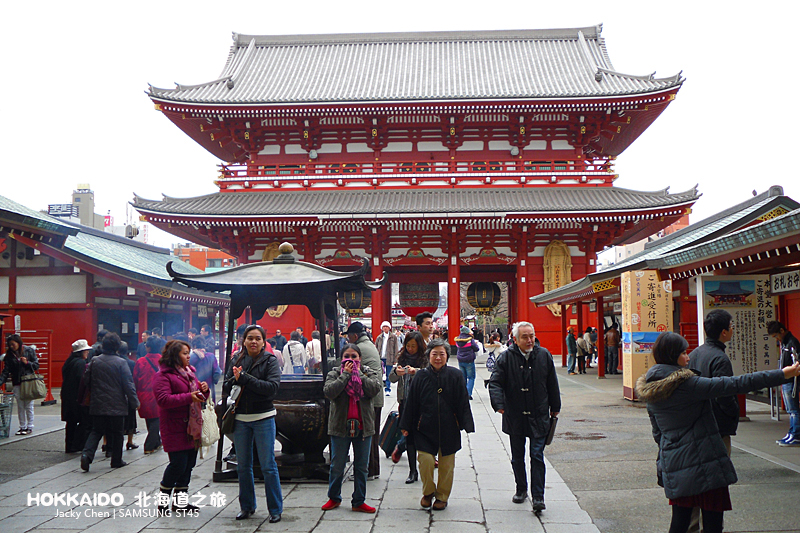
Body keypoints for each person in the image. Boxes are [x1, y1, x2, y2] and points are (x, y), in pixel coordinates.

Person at [636, 331, 800, 533]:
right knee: (712, 522)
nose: (688, 357)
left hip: (675, 463)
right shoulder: (688, 384)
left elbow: (657, 434)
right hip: (705, 463)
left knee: (679, 521)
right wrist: (783, 374)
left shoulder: (651, 389)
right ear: (672, 355)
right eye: (683, 353)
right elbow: (737, 383)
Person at [488, 321, 560, 512]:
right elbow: (495, 382)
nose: (529, 340)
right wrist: (499, 404)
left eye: (531, 336)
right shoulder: (506, 358)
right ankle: (521, 489)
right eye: (525, 337)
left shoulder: (544, 355)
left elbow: (552, 383)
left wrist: (555, 407)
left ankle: (538, 496)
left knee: (537, 454)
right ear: (515, 339)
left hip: (539, 412)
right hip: (515, 413)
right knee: (517, 456)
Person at [400, 338, 474, 510]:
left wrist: (466, 423)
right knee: (425, 461)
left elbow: (463, 401)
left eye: (442, 354)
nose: (438, 358)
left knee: (447, 465)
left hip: (449, 427)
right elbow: (412, 402)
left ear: (447, 356)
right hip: (424, 427)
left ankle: (442, 496)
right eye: (435, 354)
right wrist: (406, 425)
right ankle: (428, 492)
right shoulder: (420, 376)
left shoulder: (455, 375)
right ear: (428, 356)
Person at [223, 325, 283, 522]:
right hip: (241, 418)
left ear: (264, 342)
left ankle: (275, 509)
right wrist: (235, 380)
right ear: (244, 341)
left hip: (263, 417)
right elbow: (226, 385)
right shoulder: (237, 359)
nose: (253, 342)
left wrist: (245, 379)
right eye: (250, 338)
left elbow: (272, 388)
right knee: (243, 466)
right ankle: (247, 506)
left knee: (268, 466)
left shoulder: (270, 361)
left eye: (258, 338)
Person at [321, 343, 382, 513]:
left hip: (363, 426)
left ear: (360, 358)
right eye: (347, 357)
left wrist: (359, 374)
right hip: (340, 426)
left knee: (362, 466)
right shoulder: (334, 373)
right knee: (337, 465)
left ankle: (359, 500)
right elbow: (329, 392)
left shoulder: (368, 372)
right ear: (341, 358)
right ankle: (334, 497)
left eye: (354, 357)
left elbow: (374, 389)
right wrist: (345, 375)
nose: (350, 360)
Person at [152, 339, 210, 514]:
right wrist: (189, 397)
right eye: (185, 353)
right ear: (174, 356)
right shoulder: (163, 376)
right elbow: (163, 400)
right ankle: (163, 502)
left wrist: (204, 390)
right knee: (178, 464)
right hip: (174, 426)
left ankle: (180, 502)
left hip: (192, 426)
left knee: (189, 464)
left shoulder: (189, 373)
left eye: (188, 353)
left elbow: (198, 396)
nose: (188, 356)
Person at [80, 333, 139, 471]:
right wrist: (134, 402)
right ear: (117, 347)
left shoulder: (95, 360)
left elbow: (86, 379)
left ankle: (87, 454)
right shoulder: (121, 362)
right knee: (118, 433)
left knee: (96, 431)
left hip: (98, 402)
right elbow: (128, 384)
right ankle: (116, 460)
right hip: (117, 404)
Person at [345, 321, 384, 479]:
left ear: (355, 336)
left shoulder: (359, 348)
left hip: (370, 397)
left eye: (349, 337)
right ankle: (373, 470)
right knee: (372, 435)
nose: (348, 340)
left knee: (367, 435)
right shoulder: (369, 344)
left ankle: (367, 470)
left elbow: (344, 364)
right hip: (376, 396)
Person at [389, 331, 427, 483]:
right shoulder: (401, 357)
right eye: (408, 346)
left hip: (422, 404)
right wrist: (396, 372)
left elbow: (429, 375)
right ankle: (413, 471)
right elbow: (391, 378)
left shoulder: (425, 358)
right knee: (408, 435)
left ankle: (425, 467)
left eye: (413, 346)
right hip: (405, 402)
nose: (410, 349)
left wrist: (415, 372)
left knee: (423, 436)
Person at [768, 320, 800, 446]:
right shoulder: (786, 343)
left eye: (776, 336)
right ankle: (792, 432)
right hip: (786, 379)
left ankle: (796, 435)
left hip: (791, 379)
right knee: (790, 409)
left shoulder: (792, 343)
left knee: (793, 410)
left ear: (782, 331)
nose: (777, 339)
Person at [133, 335, 165, 454]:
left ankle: (156, 442)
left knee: (150, 419)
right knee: (157, 419)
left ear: (148, 347)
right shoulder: (163, 361)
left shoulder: (141, 361)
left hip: (143, 394)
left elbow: (135, 379)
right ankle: (150, 445)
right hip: (159, 393)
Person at [2, 334, 39, 436]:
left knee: (28, 405)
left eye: (13, 344)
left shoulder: (29, 351)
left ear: (18, 343)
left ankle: (29, 426)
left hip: (28, 381)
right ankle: (22, 426)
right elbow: (6, 370)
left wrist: (27, 363)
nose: (11, 347)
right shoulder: (9, 355)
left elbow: (36, 365)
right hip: (17, 382)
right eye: (10, 345)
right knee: (20, 405)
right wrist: (1, 381)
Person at [61, 339, 91, 452]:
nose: (87, 352)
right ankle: (77, 445)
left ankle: (69, 446)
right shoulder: (81, 363)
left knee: (71, 422)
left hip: (67, 395)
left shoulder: (69, 362)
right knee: (84, 421)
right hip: (77, 397)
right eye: (86, 350)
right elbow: (82, 380)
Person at [116, 341, 139, 451]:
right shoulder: (131, 363)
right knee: (130, 418)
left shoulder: (115, 362)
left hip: (116, 393)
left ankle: (106, 442)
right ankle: (130, 441)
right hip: (128, 393)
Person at [189, 336, 222, 403]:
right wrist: (213, 381)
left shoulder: (191, 357)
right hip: (209, 388)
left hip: (195, 390)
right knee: (209, 406)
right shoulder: (211, 356)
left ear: (194, 346)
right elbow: (218, 372)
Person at [375, 320, 399, 393]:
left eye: (386, 326)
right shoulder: (379, 337)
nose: (385, 328)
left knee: (388, 374)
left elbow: (396, 348)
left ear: (389, 328)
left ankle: (388, 388)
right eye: (384, 327)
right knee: (380, 373)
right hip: (381, 358)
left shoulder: (393, 337)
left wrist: (395, 359)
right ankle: (379, 388)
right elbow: (376, 347)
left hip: (390, 358)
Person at [455, 326, 479, 399]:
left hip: (460, 360)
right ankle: (468, 394)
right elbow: (476, 348)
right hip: (469, 360)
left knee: (463, 377)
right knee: (471, 377)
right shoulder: (470, 340)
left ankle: (462, 393)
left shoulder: (458, 340)